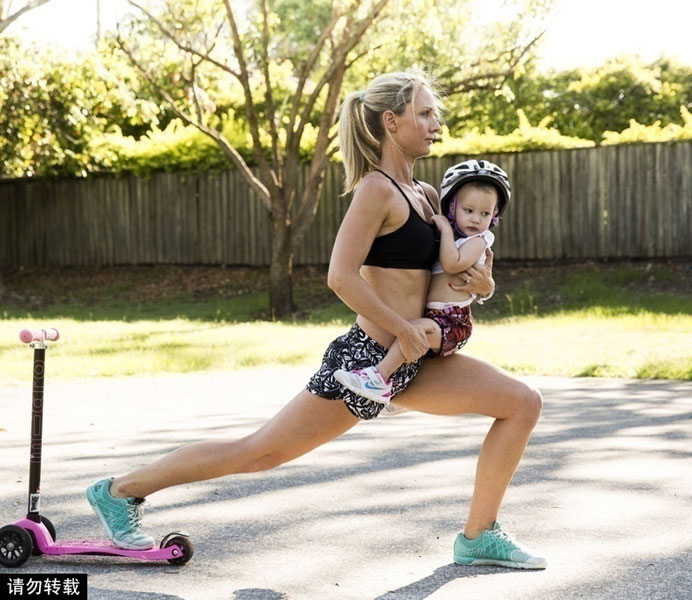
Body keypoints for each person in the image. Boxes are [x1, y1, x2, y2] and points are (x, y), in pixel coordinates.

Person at [85, 69, 546, 569]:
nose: (437, 123)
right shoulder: (377, 190)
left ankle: (479, 535)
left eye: (435, 114)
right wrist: (404, 327)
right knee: (260, 452)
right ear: (391, 122)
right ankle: (120, 491)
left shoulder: (428, 196)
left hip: (414, 358)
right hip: (369, 359)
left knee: (521, 403)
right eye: (426, 113)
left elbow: (445, 275)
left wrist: (483, 286)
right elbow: (341, 277)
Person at [332, 159, 510, 405]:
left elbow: (452, 264)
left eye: (485, 213)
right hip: (436, 316)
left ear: (494, 216)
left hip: (452, 321)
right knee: (412, 334)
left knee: (412, 331)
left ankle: (379, 379)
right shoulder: (443, 225)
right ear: (452, 208)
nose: (476, 220)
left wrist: (445, 230)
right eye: (468, 210)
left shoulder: (480, 239)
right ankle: (399, 393)